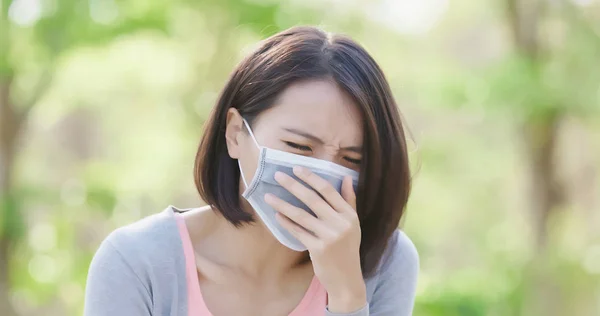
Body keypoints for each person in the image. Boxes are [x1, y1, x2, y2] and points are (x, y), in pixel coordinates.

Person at [83, 26, 418, 316]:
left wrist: (347, 296)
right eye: (300, 147)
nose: (321, 176)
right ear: (235, 134)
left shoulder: (384, 262)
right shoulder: (136, 262)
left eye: (352, 160)